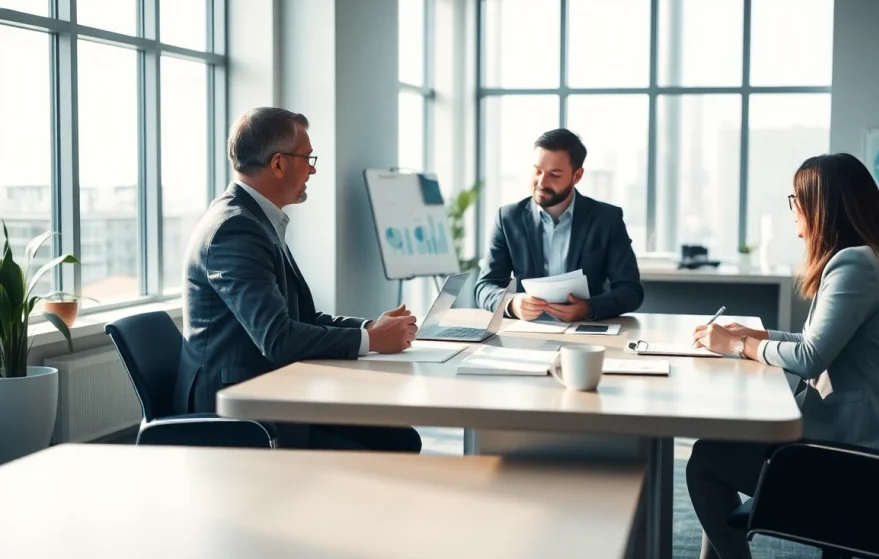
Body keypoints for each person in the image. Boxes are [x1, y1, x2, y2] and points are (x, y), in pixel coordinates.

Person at [685, 153, 879, 559]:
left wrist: (737, 345)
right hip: (864, 440)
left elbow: (812, 358)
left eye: (796, 199)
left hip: (858, 460)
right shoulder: (866, 259)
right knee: (714, 451)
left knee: (705, 461)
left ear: (822, 206)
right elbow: (818, 343)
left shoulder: (854, 265)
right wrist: (759, 337)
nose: (792, 209)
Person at [174, 107, 422, 453]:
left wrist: (371, 328)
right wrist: (370, 340)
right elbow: (277, 338)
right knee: (390, 446)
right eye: (307, 158)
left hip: (269, 388)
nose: (313, 168)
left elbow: (300, 319)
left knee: (400, 437)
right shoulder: (236, 228)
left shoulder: (256, 219)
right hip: (239, 406)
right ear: (278, 163)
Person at [474, 128, 644, 322]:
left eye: (554, 175)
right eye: (537, 171)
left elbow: (631, 291)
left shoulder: (607, 219)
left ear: (577, 176)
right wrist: (512, 304)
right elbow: (485, 286)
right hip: (527, 333)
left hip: (586, 332)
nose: (541, 182)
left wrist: (589, 308)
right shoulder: (507, 218)